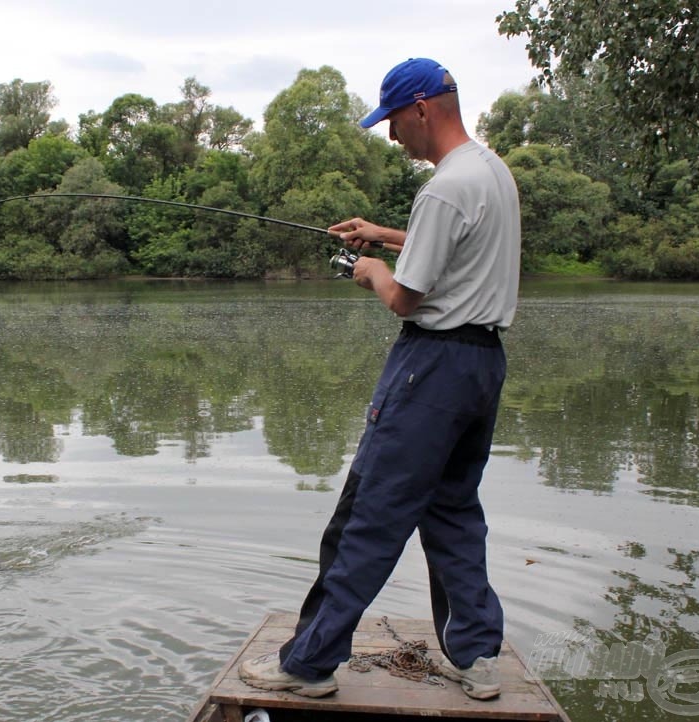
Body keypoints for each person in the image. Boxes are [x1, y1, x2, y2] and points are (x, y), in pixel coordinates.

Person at [238, 57, 521, 700]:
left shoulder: (445, 187)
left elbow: (406, 298)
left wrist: (368, 270)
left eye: (393, 120)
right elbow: (459, 244)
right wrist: (385, 234)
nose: (392, 136)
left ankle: (307, 665)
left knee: (368, 515)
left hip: (432, 369)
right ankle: (475, 657)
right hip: (481, 365)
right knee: (452, 512)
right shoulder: (490, 172)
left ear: (421, 107)